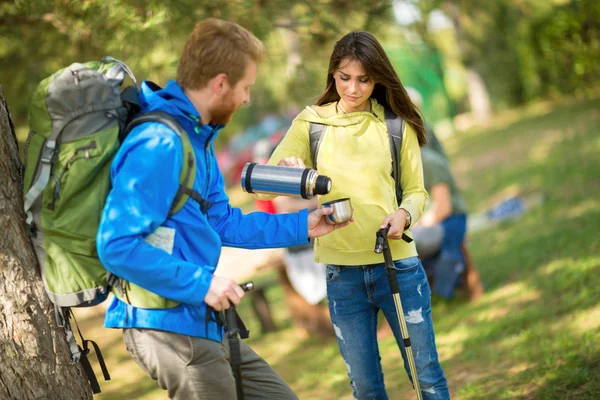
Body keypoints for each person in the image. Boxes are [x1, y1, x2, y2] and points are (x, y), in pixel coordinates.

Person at [96, 18, 351, 400]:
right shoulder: (158, 144)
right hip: (166, 327)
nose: (247, 98)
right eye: (245, 87)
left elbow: (223, 221)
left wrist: (303, 225)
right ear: (219, 83)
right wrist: (204, 284)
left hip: (200, 319)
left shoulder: (198, 138)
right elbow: (115, 245)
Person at [263, 31, 450, 399]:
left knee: (425, 375)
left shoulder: (396, 124)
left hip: (398, 267)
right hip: (341, 277)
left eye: (363, 79)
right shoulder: (311, 122)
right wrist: (289, 170)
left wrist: (403, 216)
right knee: (365, 388)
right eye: (345, 77)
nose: (353, 88)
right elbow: (267, 186)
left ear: (377, 78)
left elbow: (416, 192)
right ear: (332, 74)